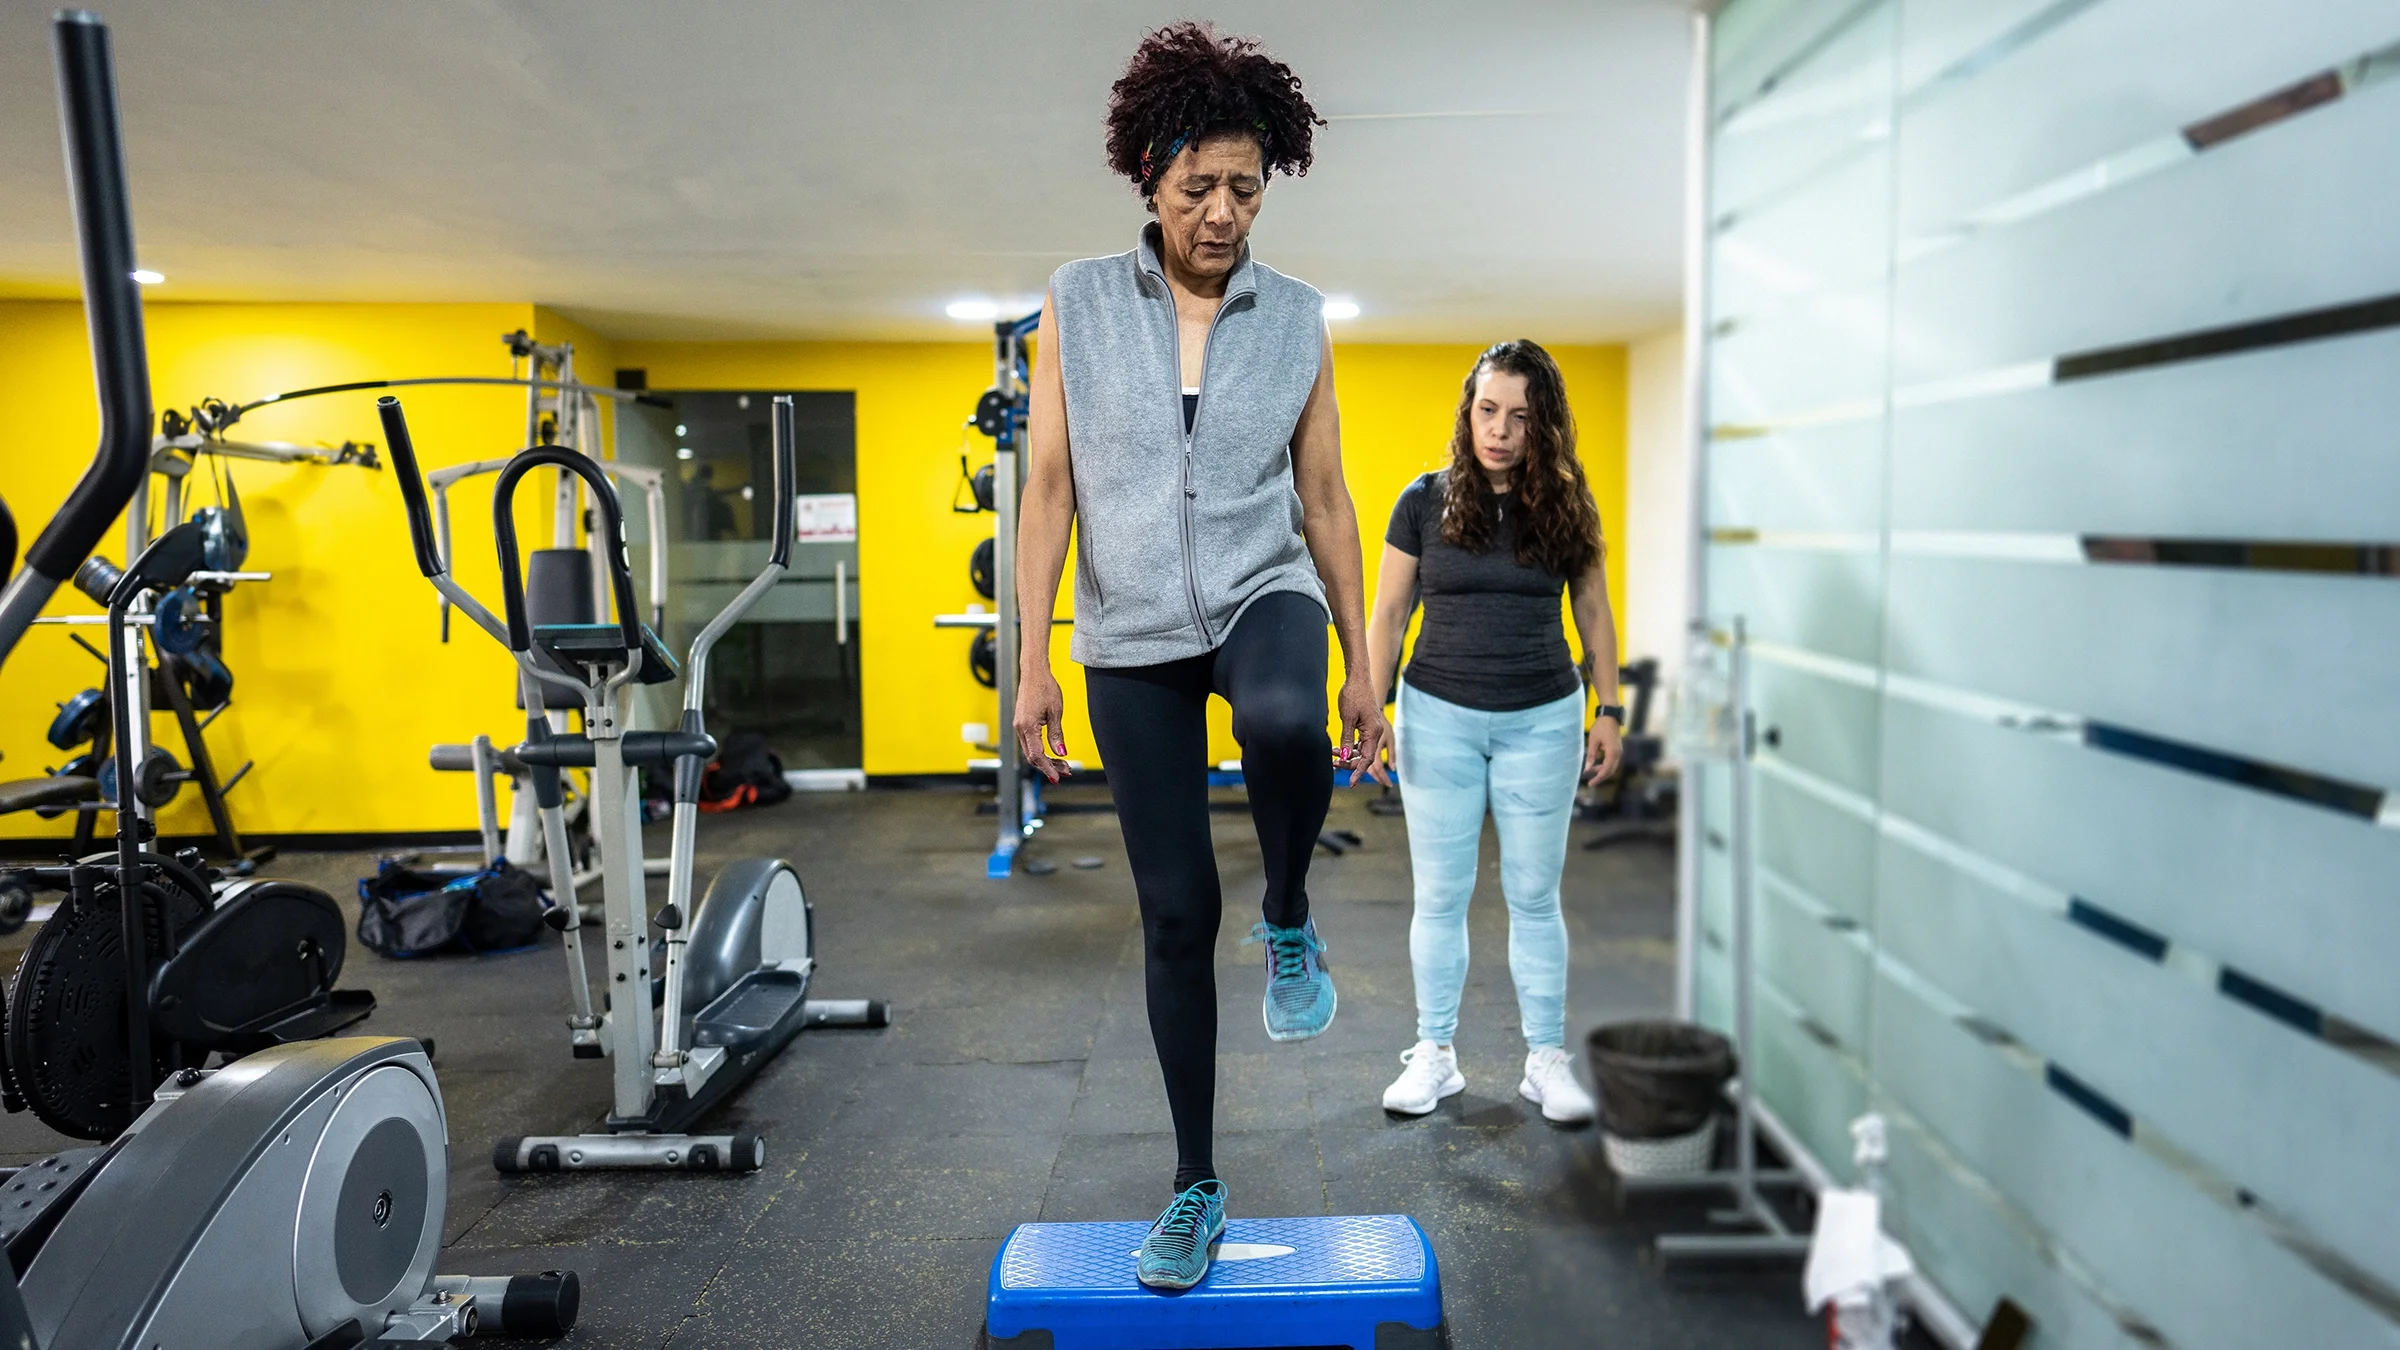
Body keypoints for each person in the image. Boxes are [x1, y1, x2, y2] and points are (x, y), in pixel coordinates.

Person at [1012, 22, 1391, 1291]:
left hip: (1259, 585)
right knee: (1175, 918)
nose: (1223, 214)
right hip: (1128, 633)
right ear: (1149, 176)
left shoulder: (1295, 318)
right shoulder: (1073, 302)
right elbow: (1051, 489)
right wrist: (1033, 661)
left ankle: (1290, 916)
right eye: (1198, 190)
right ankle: (1195, 1187)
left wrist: (1363, 658)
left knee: (1285, 724)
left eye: (1244, 188)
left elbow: (1327, 498)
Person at [1363, 340, 1623, 1126]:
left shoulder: (1568, 506)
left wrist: (1608, 708)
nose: (1499, 430)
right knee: (1440, 896)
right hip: (1437, 713)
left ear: (1541, 424)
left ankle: (1545, 1058)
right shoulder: (1423, 500)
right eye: (1486, 410)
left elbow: (1593, 612)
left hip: (1542, 719)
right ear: (1467, 411)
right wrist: (1370, 712)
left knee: (1534, 897)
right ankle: (1434, 1055)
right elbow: (1388, 615)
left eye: (1518, 416)